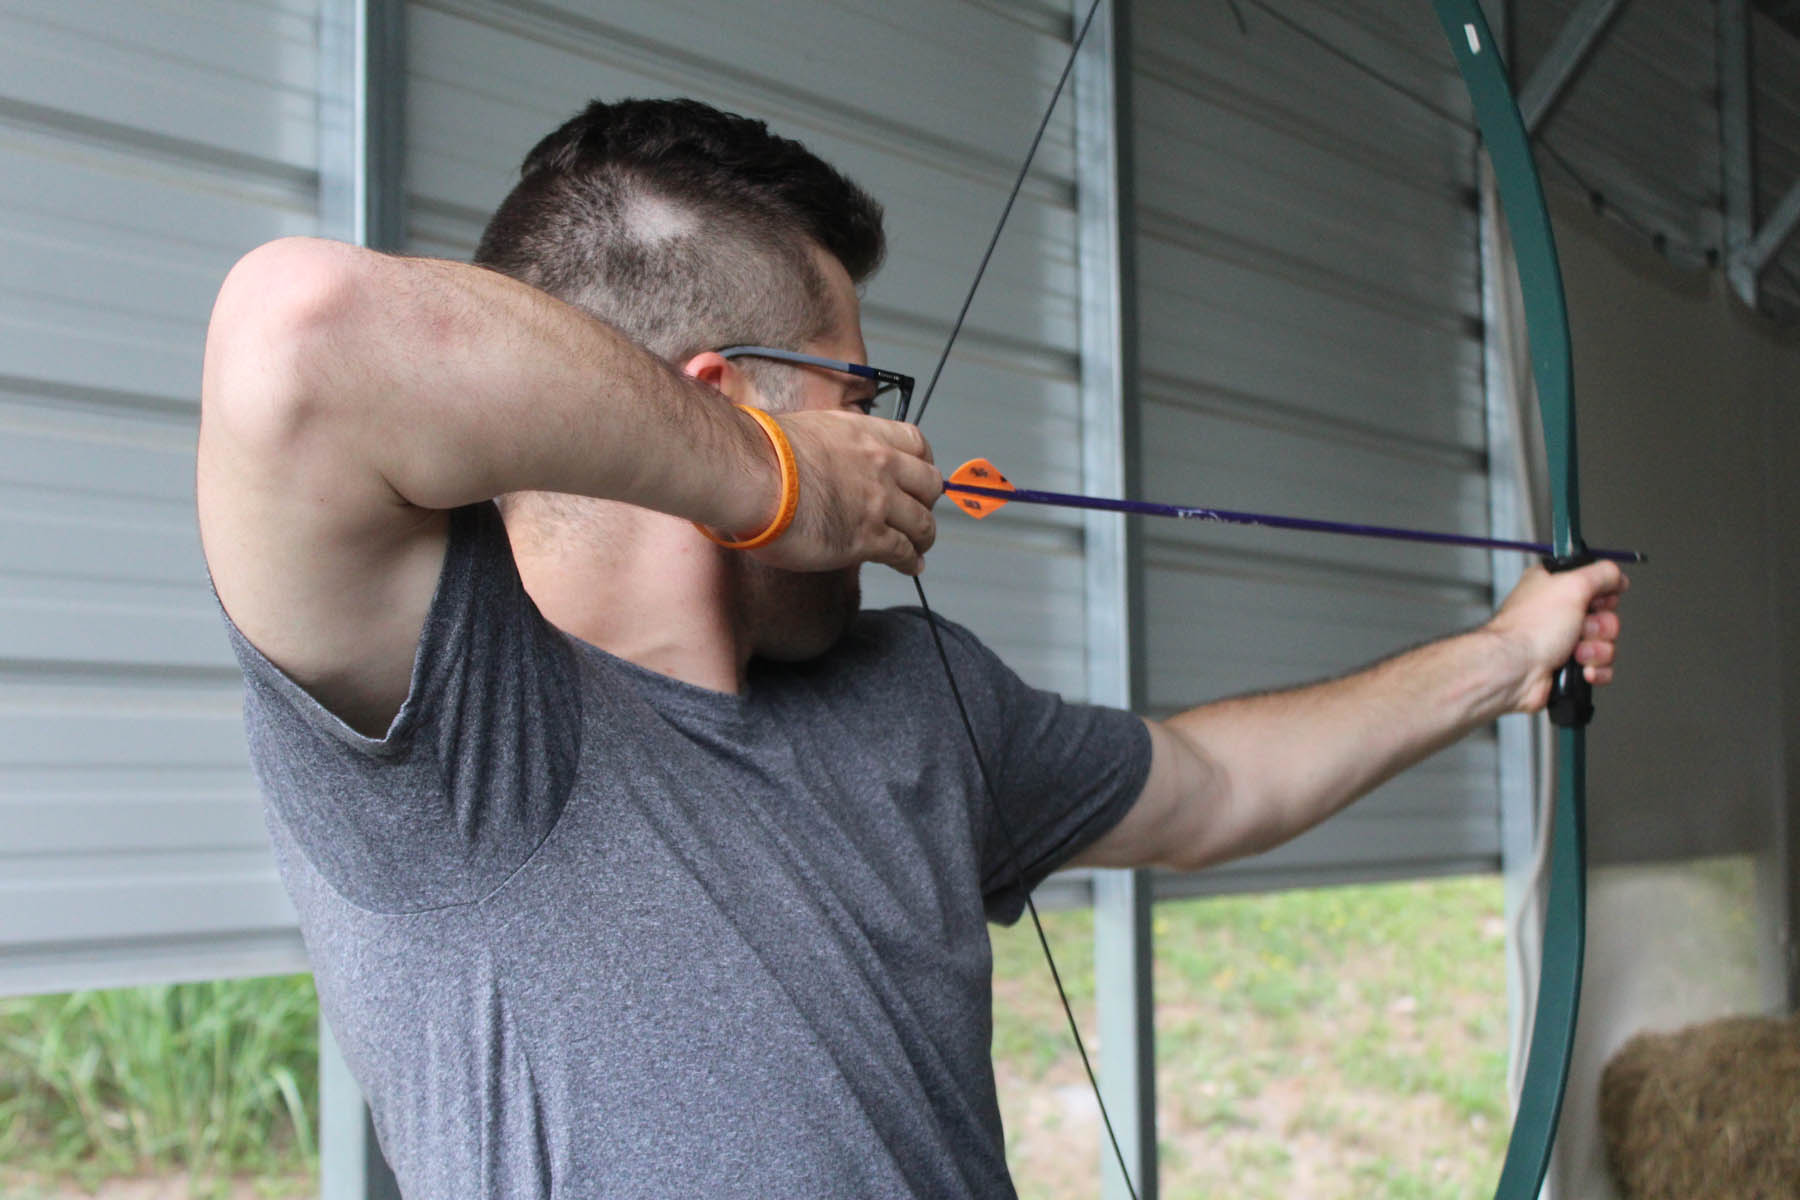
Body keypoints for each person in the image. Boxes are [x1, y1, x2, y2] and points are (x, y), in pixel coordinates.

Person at [196, 98, 1625, 1198]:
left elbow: (1204, 787)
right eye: (858, 390)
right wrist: (770, 479)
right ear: (733, 401)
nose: (899, 437)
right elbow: (300, 336)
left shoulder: (907, 699)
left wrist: (1504, 659)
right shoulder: (460, 729)